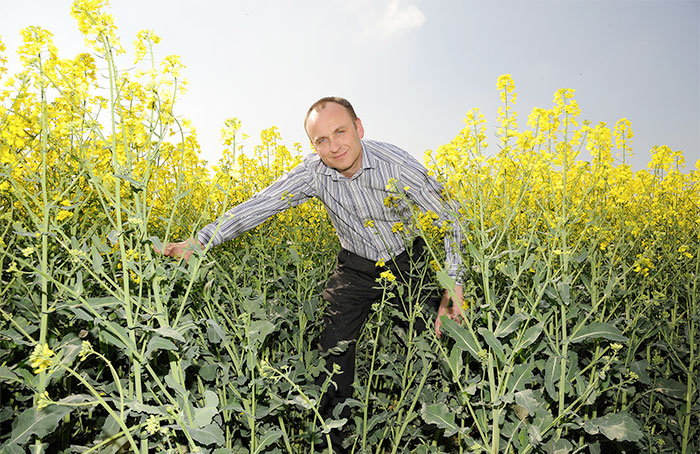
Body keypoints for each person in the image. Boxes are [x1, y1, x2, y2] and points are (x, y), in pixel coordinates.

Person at [158, 97, 464, 452]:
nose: (333, 146)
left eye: (340, 132)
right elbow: (261, 204)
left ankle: (448, 430)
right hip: (357, 266)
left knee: (444, 336)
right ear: (313, 146)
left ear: (359, 128)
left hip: (408, 260)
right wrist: (202, 240)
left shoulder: (395, 165)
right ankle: (333, 442)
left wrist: (452, 283)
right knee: (332, 352)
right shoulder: (314, 173)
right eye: (321, 140)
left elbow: (449, 217)